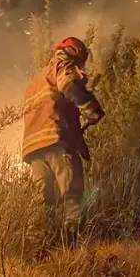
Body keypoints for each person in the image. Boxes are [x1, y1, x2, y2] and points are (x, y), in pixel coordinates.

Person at [22, 37, 105, 248]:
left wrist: (81, 145)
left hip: (33, 147)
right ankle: (72, 248)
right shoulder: (63, 66)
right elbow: (71, 88)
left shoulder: (37, 79)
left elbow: (55, 110)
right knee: (72, 193)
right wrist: (91, 108)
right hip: (56, 141)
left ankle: (40, 251)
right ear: (75, 54)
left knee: (43, 202)